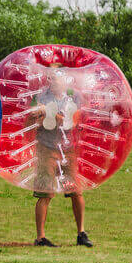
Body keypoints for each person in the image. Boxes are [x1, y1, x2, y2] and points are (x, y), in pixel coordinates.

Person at [29, 69, 92, 247]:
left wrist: (49, 113)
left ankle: (81, 233)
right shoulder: (42, 97)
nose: (55, 83)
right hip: (46, 149)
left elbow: (71, 122)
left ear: (65, 82)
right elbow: (35, 120)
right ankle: (40, 238)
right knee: (45, 194)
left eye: (59, 80)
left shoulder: (73, 98)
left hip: (67, 149)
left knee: (76, 192)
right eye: (53, 80)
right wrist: (42, 115)